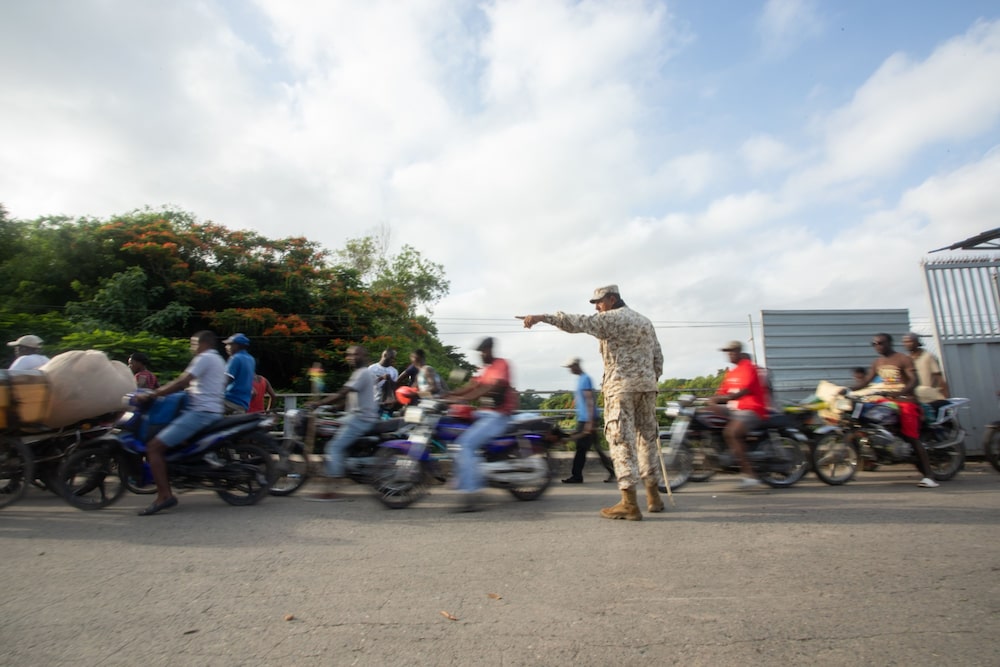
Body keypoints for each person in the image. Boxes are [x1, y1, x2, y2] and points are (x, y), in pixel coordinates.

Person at [518, 284, 664, 521]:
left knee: (621, 441)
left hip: (621, 388)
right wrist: (650, 379)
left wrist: (543, 317)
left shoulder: (612, 319)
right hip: (647, 388)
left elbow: (579, 323)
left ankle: (629, 503)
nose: (597, 307)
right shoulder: (645, 322)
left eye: (599, 302)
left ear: (613, 299)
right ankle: (653, 497)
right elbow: (658, 358)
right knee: (646, 439)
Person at [134, 330, 226, 515]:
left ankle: (165, 496)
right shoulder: (218, 359)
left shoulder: (204, 358)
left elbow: (181, 382)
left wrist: (153, 394)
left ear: (204, 344)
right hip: (207, 410)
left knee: (154, 447)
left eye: (193, 343)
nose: (192, 347)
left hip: (201, 413)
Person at [853, 333, 939, 488]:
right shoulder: (878, 362)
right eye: (874, 343)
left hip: (906, 402)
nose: (878, 346)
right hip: (887, 400)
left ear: (890, 343)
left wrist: (900, 393)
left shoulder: (903, 359)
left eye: (881, 343)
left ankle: (929, 476)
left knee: (911, 436)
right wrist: (846, 390)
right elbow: (866, 381)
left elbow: (914, 380)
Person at [444, 337, 517, 512]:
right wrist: (447, 395)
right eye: (479, 352)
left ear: (489, 349)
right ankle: (465, 476)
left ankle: (471, 493)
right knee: (451, 429)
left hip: (498, 416)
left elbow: (492, 387)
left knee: (466, 444)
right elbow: (471, 386)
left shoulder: (501, 365)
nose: (480, 355)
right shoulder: (484, 370)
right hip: (484, 414)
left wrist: (466, 398)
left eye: (482, 351)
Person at [305, 345, 378, 501]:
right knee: (328, 430)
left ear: (364, 356)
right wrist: (333, 408)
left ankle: (332, 490)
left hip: (361, 419)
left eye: (356, 354)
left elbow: (342, 393)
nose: (352, 357)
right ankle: (340, 470)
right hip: (354, 416)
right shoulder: (359, 373)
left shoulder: (363, 373)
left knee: (334, 447)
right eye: (349, 355)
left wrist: (317, 404)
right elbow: (351, 398)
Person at [706, 341, 770, 490]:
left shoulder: (749, 368)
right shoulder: (732, 372)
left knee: (731, 433)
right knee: (704, 416)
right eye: (728, 352)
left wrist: (725, 399)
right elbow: (722, 392)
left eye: (732, 351)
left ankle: (750, 476)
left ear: (740, 352)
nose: (729, 354)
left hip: (752, 409)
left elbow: (744, 391)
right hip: (735, 409)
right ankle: (721, 454)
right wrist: (710, 401)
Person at [561, 357, 615, 484]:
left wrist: (590, 422)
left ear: (576, 366)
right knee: (595, 447)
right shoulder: (580, 379)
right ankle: (613, 471)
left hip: (587, 419)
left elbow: (590, 400)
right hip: (584, 418)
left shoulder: (585, 379)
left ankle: (577, 476)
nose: (569, 370)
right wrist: (571, 410)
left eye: (570, 367)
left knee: (581, 448)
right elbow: (581, 399)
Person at [902, 332, 950, 402]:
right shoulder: (906, 359)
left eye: (909, 341)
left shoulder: (928, 356)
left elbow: (939, 377)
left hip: (929, 395)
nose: (907, 344)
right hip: (914, 397)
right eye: (905, 342)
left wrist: (945, 395)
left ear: (917, 342)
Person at [222, 333, 255, 414]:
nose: (226, 347)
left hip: (230, 400)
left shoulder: (235, 358)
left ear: (237, 345)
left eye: (229, 345)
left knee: (203, 406)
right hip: (243, 403)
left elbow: (225, 380)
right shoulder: (251, 359)